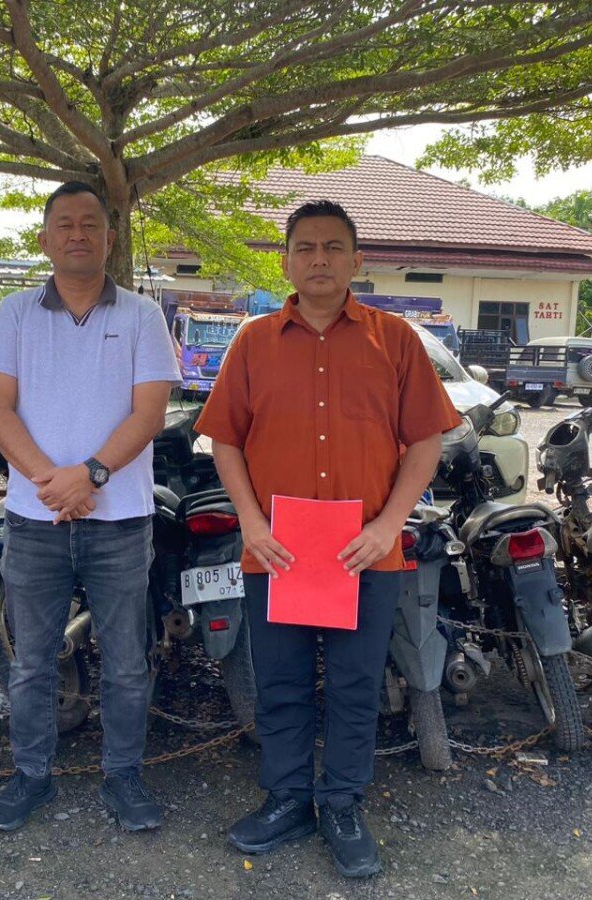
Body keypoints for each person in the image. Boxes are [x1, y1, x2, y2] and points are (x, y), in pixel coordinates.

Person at [195, 200, 460, 878]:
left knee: (355, 684)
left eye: (333, 247)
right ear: (286, 261)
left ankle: (341, 802)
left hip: (366, 552)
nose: (319, 258)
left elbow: (424, 442)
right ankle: (287, 798)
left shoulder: (395, 340)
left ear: (356, 260)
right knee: (280, 681)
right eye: (306, 247)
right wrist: (251, 522)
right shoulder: (252, 343)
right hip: (277, 551)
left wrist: (388, 525)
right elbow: (225, 441)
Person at [0, 181, 180, 832]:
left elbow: (149, 413)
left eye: (90, 224)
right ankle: (30, 776)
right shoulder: (14, 314)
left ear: (110, 239)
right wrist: (52, 483)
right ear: (45, 238)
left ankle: (124, 777)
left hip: (120, 521)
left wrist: (90, 475)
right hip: (34, 520)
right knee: (32, 661)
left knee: (126, 662)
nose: (77, 234)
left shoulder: (143, 316)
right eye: (64, 224)